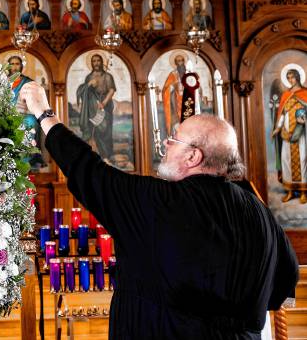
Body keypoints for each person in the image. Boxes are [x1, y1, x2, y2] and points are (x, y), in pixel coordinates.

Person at [17, 81, 298, 339]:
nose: (166, 143)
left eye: (174, 138)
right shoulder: (258, 209)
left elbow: (89, 171)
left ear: (193, 156)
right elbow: (285, 283)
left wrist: (45, 114)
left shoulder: (158, 201)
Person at [271, 68, 307, 203]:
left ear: (298, 77)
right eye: (288, 77)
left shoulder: (305, 93)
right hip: (286, 133)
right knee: (287, 161)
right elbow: (283, 114)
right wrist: (278, 128)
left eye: (293, 77)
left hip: (301, 133)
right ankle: (291, 191)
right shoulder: (286, 94)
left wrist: (304, 120)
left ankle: (303, 192)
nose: (291, 80)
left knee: (302, 160)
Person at [76, 54, 116, 160]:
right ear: (91, 63)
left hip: (105, 106)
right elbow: (85, 91)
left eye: (98, 60)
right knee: (93, 131)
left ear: (101, 62)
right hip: (91, 107)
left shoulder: (107, 76)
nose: (96, 63)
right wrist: (89, 84)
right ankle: (94, 155)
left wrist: (103, 103)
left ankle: (106, 155)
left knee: (105, 130)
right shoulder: (89, 77)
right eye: (94, 61)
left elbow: (111, 90)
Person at [162, 54, 187, 137]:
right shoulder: (173, 74)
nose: (180, 63)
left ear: (184, 61)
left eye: (181, 60)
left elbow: (197, 86)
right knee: (177, 122)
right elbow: (166, 88)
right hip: (176, 100)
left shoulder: (190, 73)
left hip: (188, 99)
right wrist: (174, 86)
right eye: (178, 61)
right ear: (175, 63)